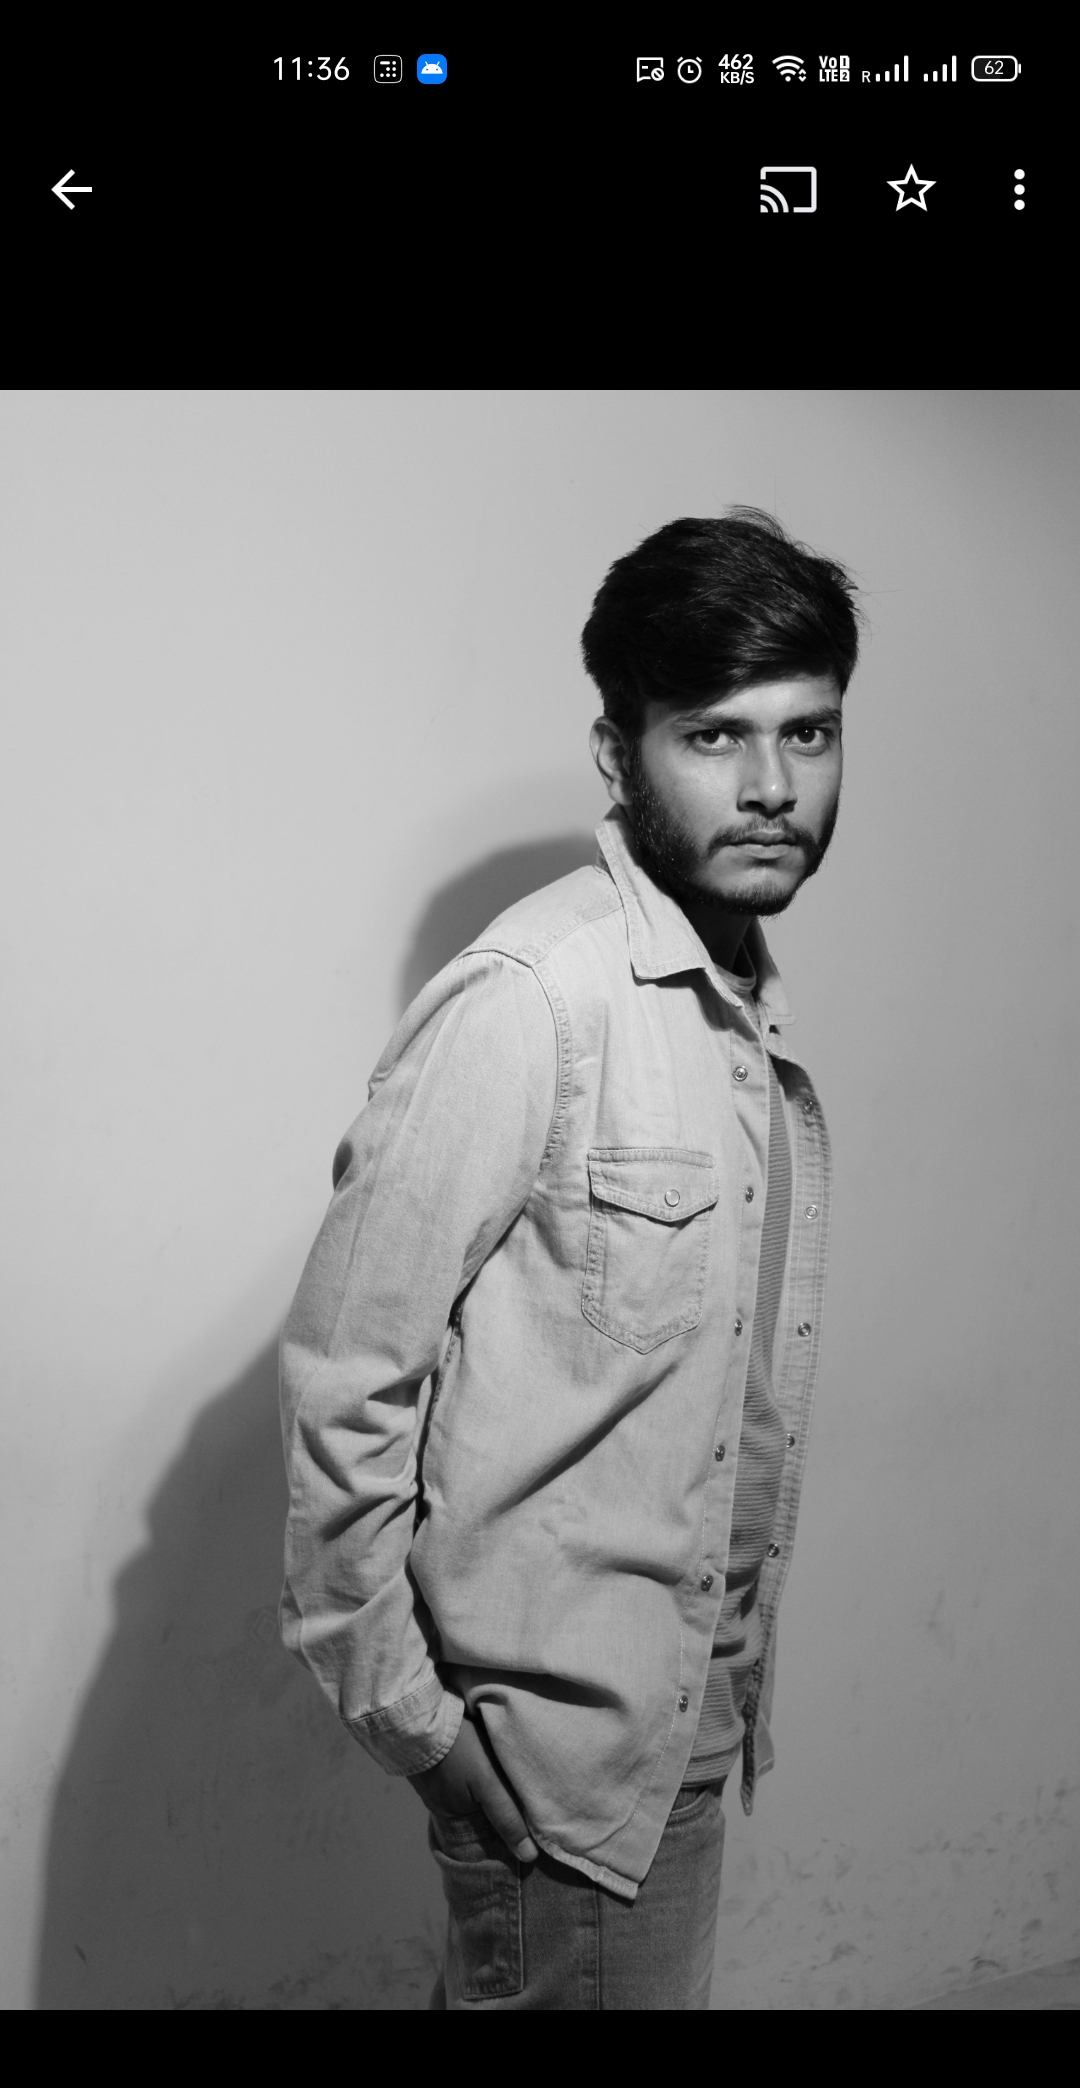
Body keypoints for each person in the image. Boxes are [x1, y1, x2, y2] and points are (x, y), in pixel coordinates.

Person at [278, 508, 865, 2008]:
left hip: (676, 1730)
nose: (772, 787)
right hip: (554, 1774)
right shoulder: (531, 1002)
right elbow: (348, 1381)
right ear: (619, 753)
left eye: (807, 734)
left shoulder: (733, 1017)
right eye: (714, 736)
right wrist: (423, 1730)